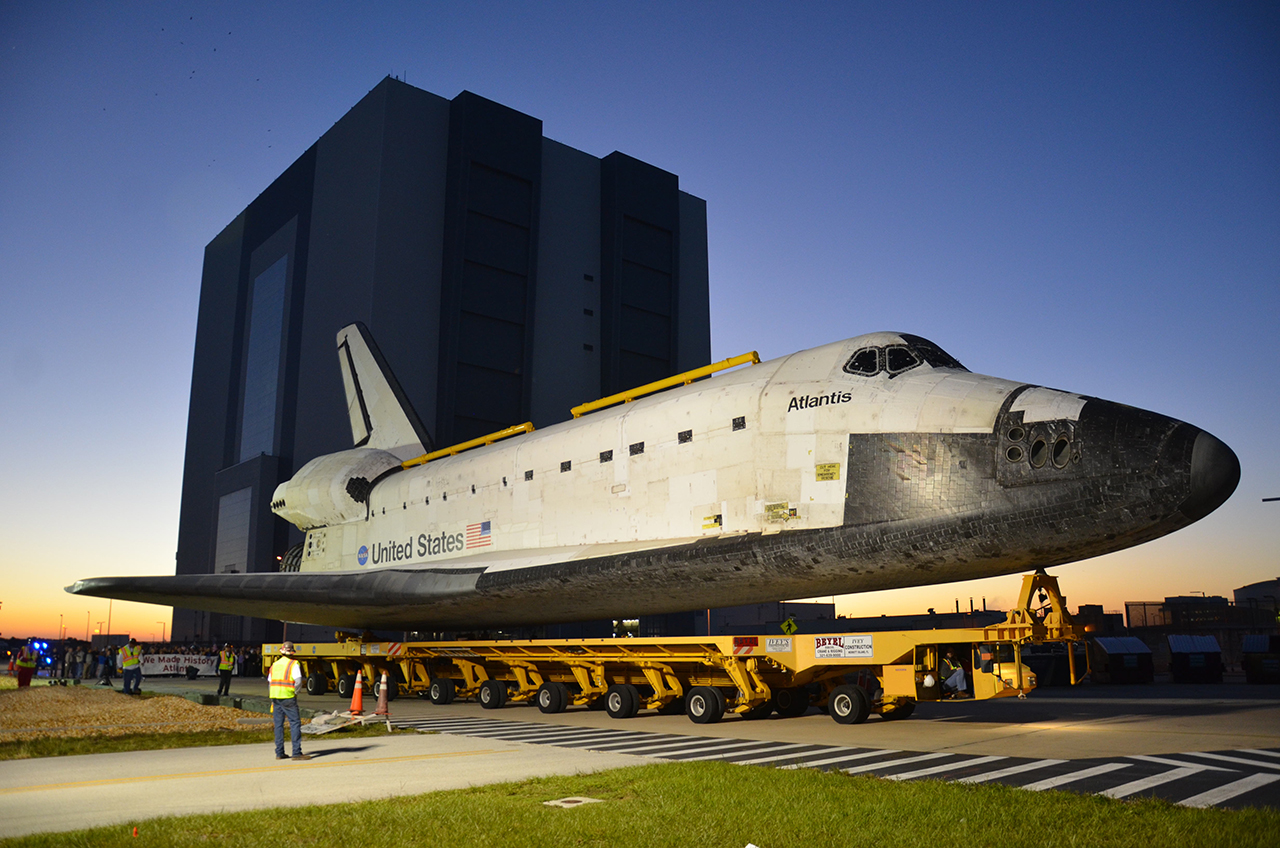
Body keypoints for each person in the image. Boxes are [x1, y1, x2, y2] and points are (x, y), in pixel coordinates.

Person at [268, 642, 311, 761]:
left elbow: (270, 682)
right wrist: (295, 693)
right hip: (288, 697)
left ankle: (279, 753)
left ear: (282, 651)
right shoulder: (293, 664)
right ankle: (296, 752)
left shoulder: (275, 664)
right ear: (292, 652)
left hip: (275, 698)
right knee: (295, 723)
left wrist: (272, 697)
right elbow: (298, 682)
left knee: (278, 725)